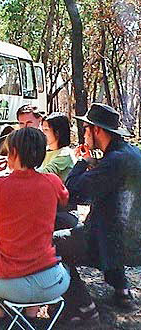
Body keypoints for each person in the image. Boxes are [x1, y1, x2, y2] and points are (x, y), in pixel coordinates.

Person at [0, 128, 70, 326]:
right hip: (53, 282)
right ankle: (30, 319)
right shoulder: (52, 181)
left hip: (10, 284)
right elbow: (64, 198)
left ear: (15, 152)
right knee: (35, 256)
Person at [55, 103, 141, 322]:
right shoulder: (132, 154)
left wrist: (82, 163)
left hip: (109, 243)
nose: (83, 134)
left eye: (85, 129)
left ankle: (83, 306)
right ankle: (122, 291)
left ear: (97, 130)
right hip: (133, 241)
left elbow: (72, 192)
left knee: (50, 243)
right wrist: (96, 163)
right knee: (101, 227)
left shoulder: (113, 162)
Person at [39, 112, 75, 182]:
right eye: (42, 130)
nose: (42, 134)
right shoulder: (44, 151)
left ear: (57, 132)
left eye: (46, 130)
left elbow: (45, 173)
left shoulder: (65, 154)